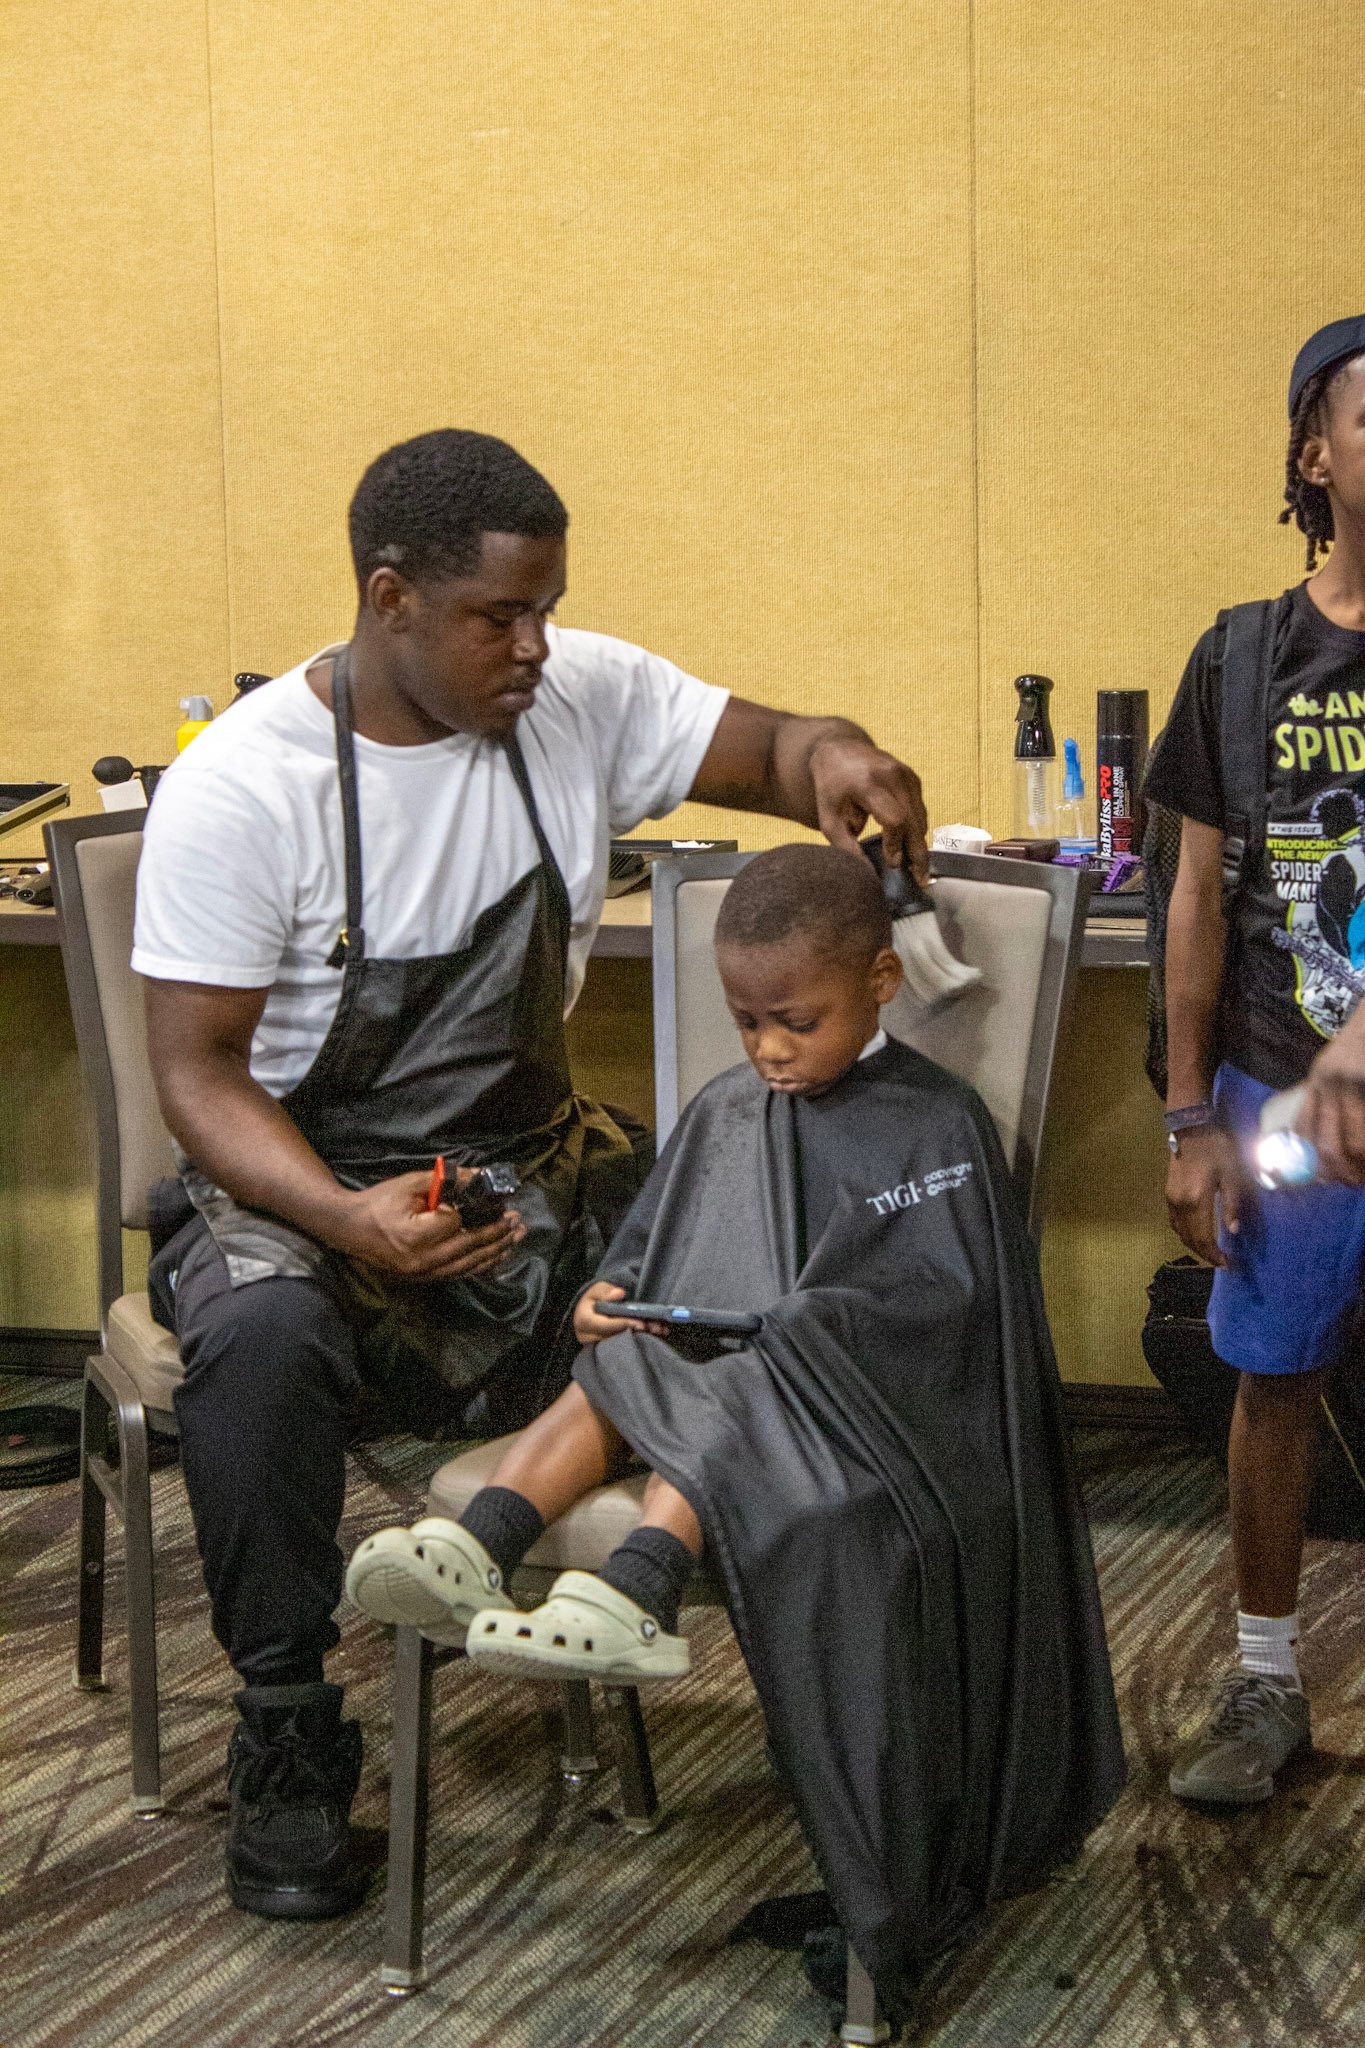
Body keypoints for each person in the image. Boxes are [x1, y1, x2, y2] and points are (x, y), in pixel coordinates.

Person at [133, 429, 930, 1920]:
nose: (534, 647)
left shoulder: (577, 702)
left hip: (524, 1177)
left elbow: (774, 746)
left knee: (769, 1231)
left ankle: (807, 1681)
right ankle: (289, 1727)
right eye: (498, 618)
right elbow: (198, 1080)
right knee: (254, 1340)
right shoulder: (243, 790)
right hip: (306, 1195)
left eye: (545, 609)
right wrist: (339, 1213)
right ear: (389, 602)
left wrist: (839, 755)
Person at [348, 843, 1124, 2014]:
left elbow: (954, 1315)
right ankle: (480, 1544)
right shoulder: (727, 1109)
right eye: (745, 1019)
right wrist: (611, 1296)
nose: (765, 1048)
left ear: (878, 981)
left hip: (874, 1428)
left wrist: (793, 1328)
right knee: (625, 1358)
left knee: (758, 1364)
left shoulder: (937, 1124)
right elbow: (657, 1251)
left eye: (793, 1020)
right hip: (699, 1384)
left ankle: (638, 1581)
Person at [1147, 315, 1365, 1804]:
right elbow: (1192, 901)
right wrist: (1183, 1117)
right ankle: (1263, 1680)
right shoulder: (1239, 658)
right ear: (1315, 454)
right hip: (1276, 1094)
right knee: (1272, 1385)